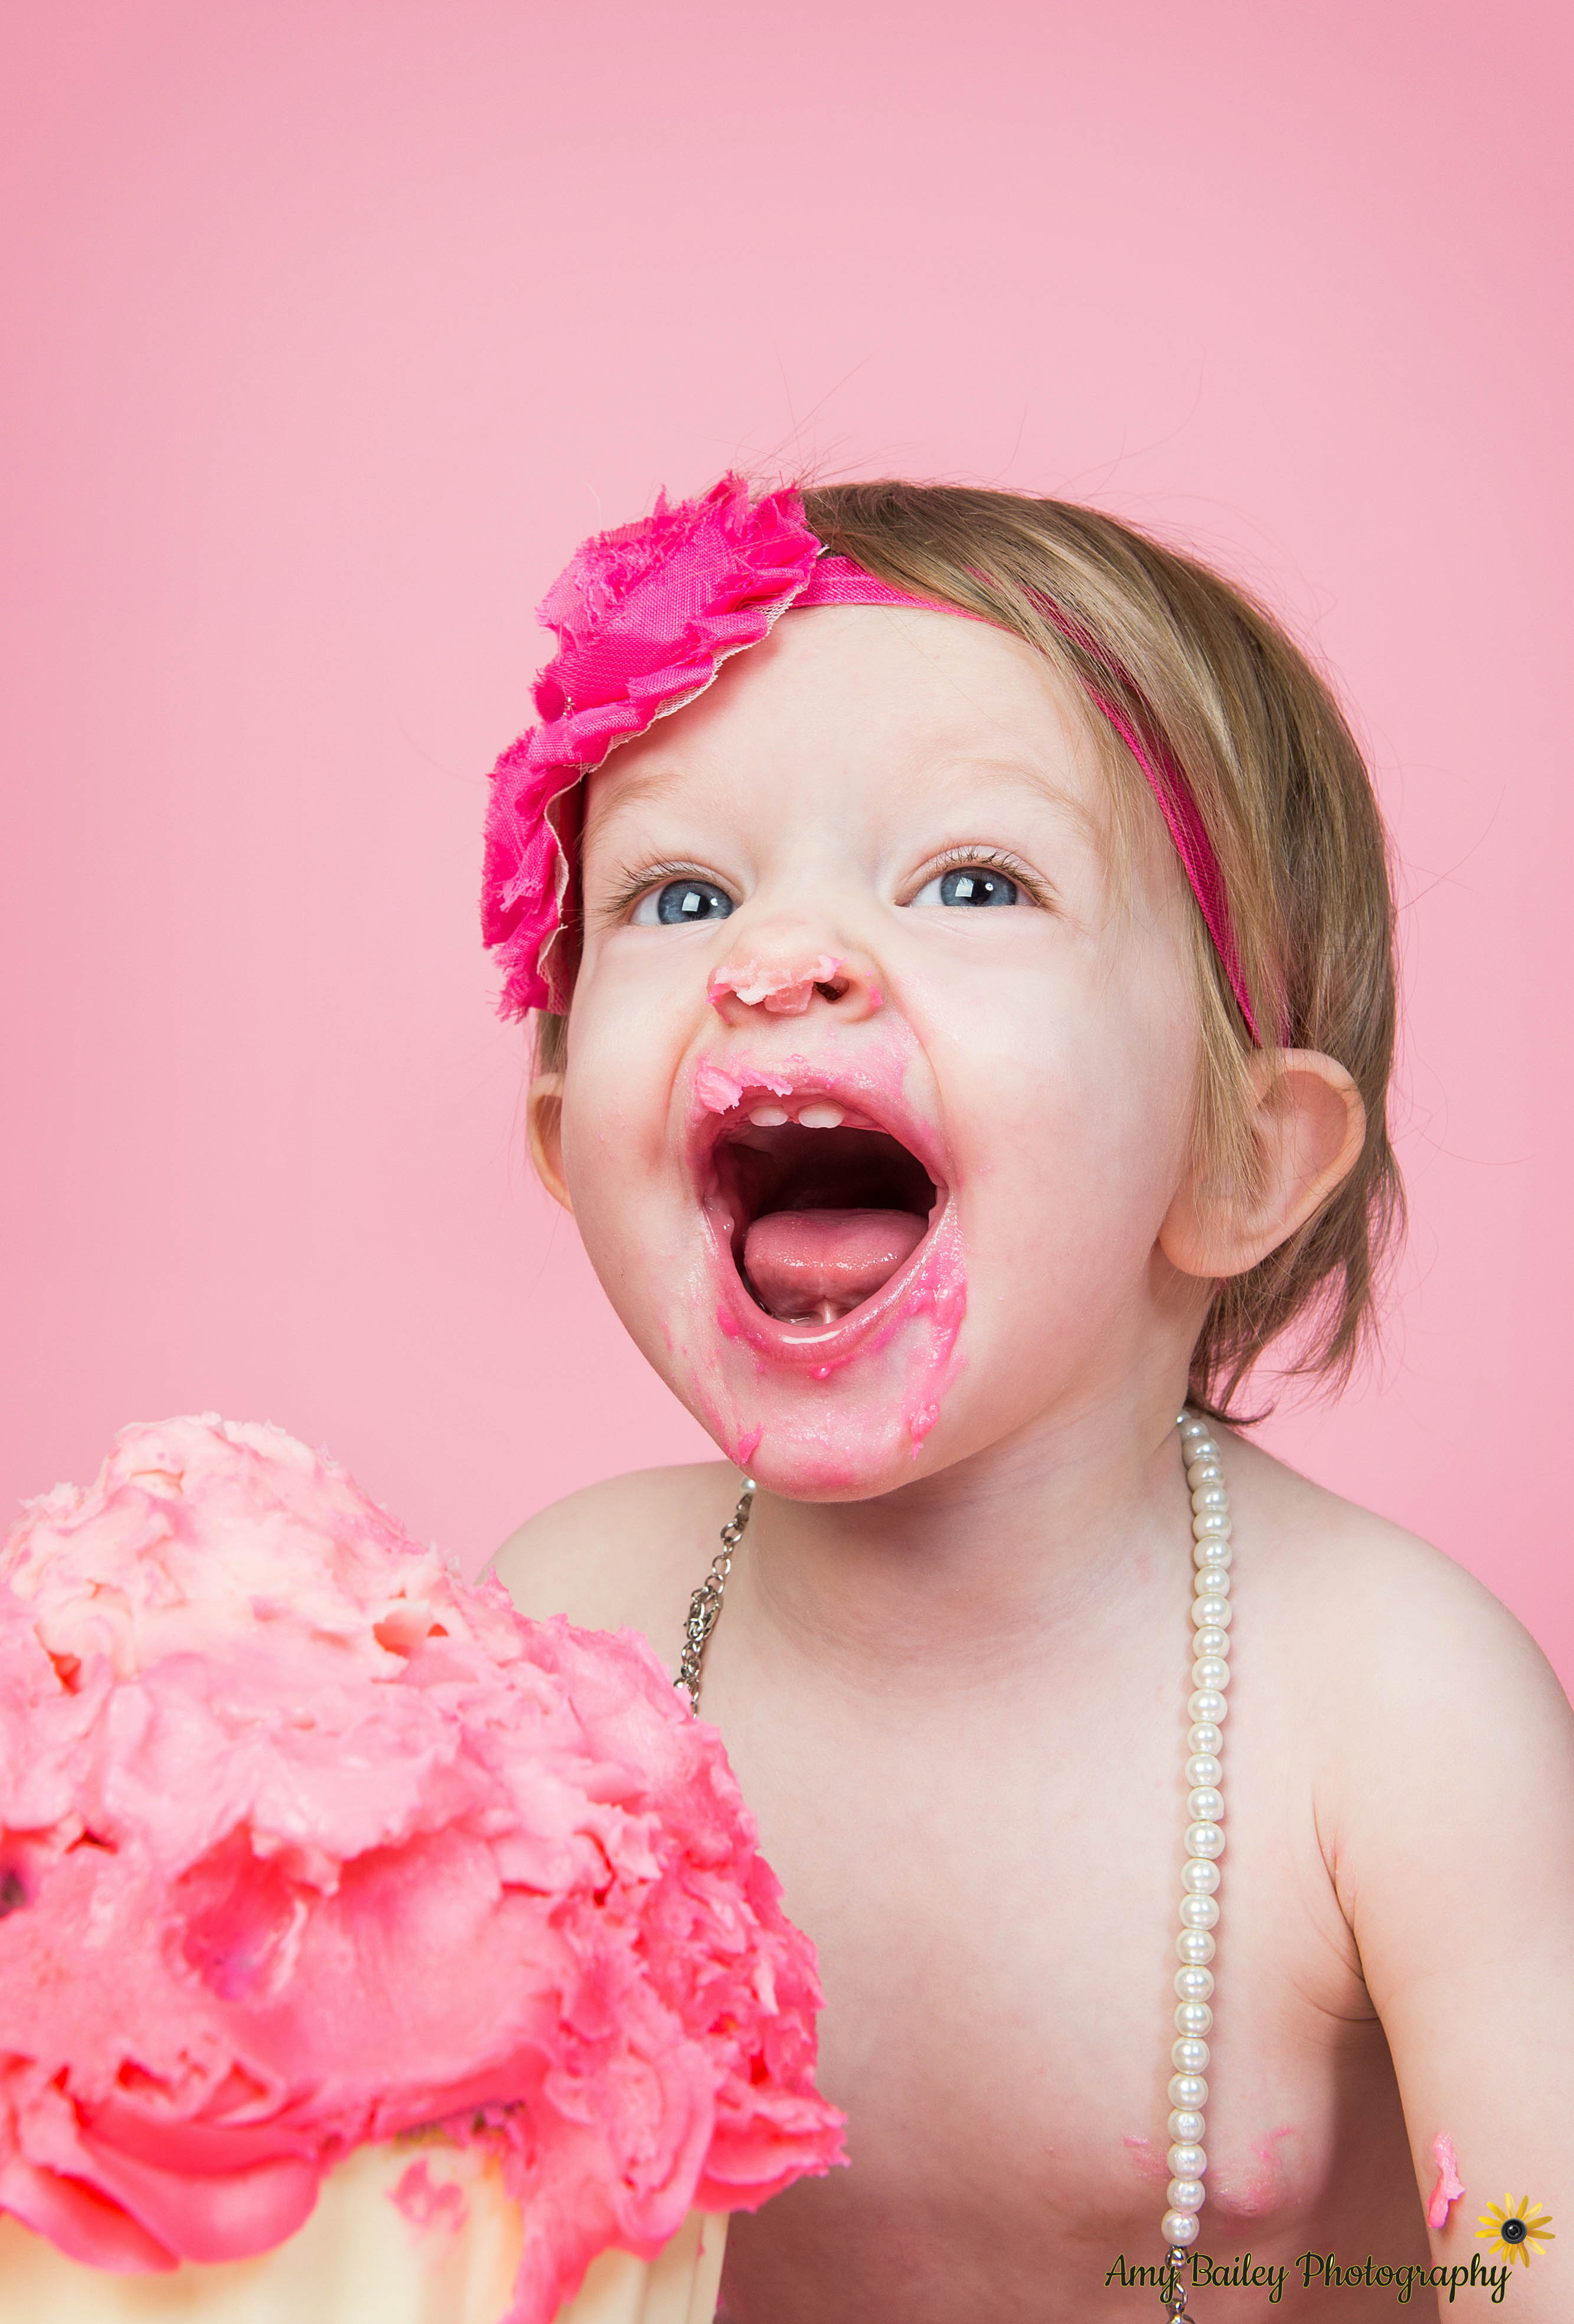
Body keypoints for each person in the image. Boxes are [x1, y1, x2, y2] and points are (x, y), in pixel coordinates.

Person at [486, 474, 1573, 2319]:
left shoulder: (1392, 1711)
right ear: (561, 1145)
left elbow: (1534, 2254)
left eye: (973, 881)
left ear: (1236, 1156)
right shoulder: (569, 1631)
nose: (778, 959)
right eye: (682, 893)